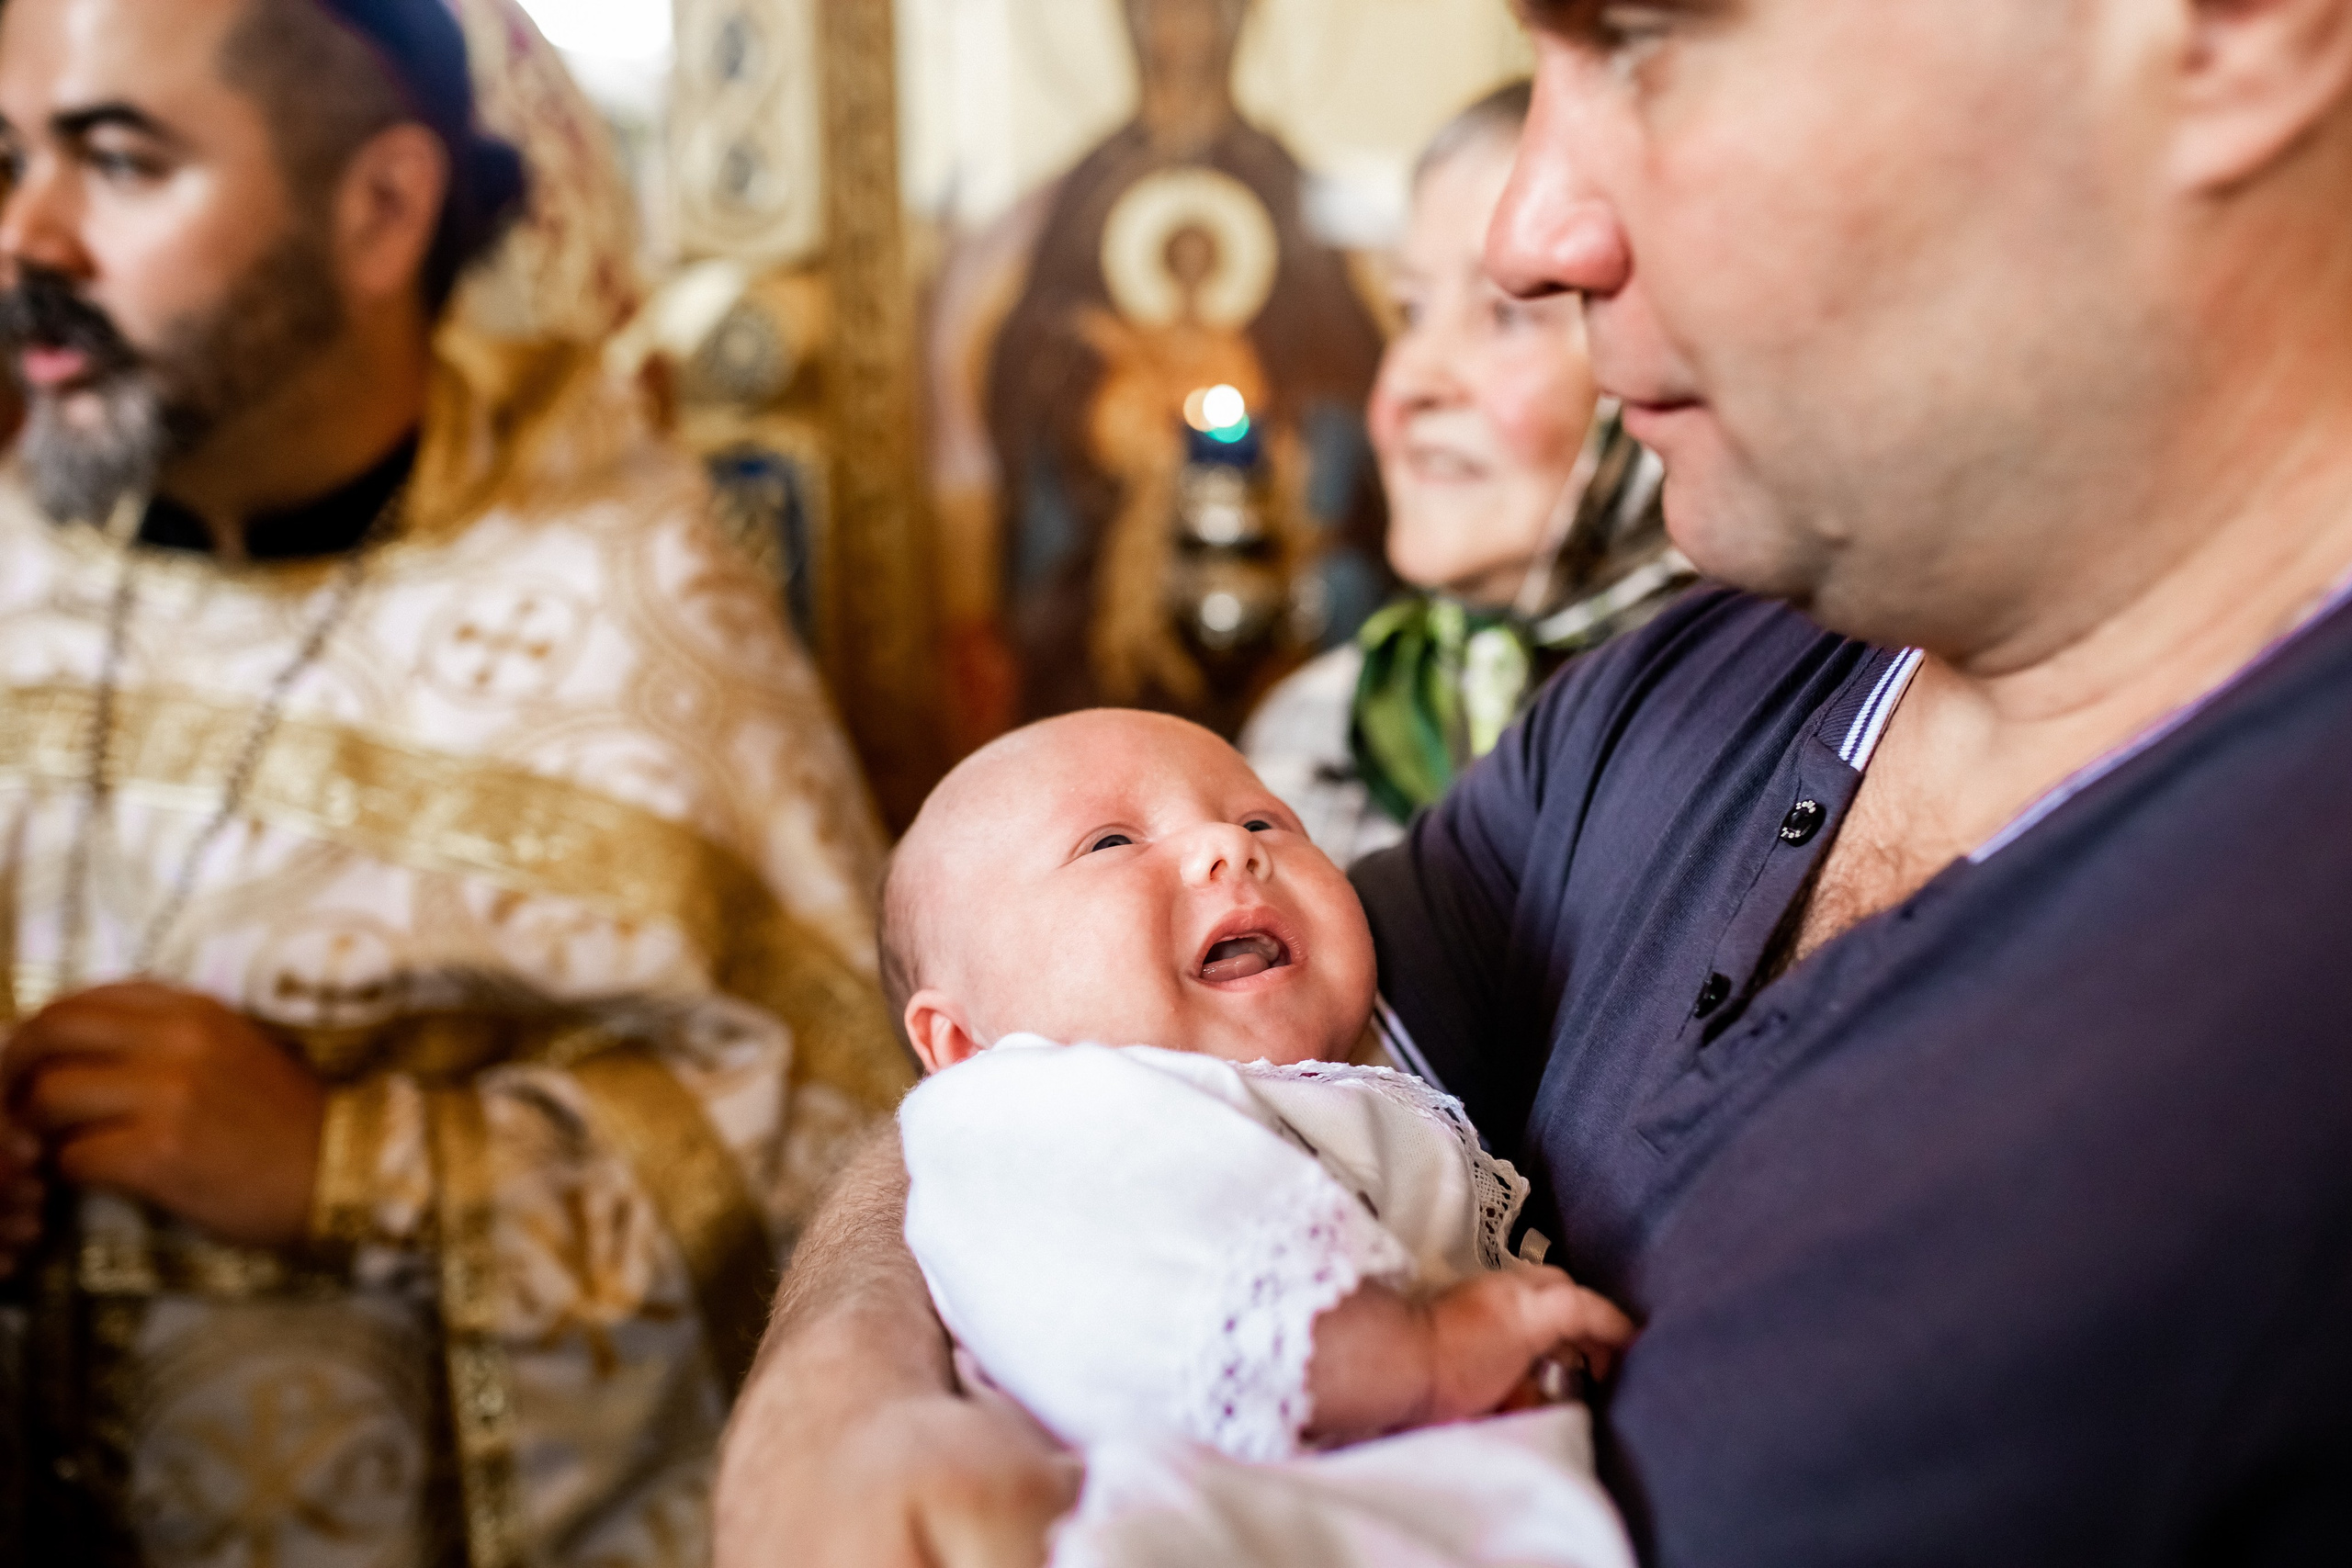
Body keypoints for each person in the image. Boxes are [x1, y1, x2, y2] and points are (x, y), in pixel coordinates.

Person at [716, 0, 2352, 1564]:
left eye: (1640, 39)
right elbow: (1098, 1066)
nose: (1531, 235)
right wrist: (836, 1413)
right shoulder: (1669, 691)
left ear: (2225, 23)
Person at [0, 1, 907, 1563]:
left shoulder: (626, 611)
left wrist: (349, 1165)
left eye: (120, 162)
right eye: (5, 160)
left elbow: (838, 1168)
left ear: (379, 212)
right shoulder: (16, 543)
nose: (29, 235)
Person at [887, 709, 1634, 1568]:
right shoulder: (1021, 1113)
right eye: (1109, 842)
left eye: (1261, 820)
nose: (1228, 846)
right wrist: (1426, 1353)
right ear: (963, 1043)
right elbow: (1174, 1270)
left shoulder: (1342, 1078)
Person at [1241, 82, 1685, 865]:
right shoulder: (1324, 725)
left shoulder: (1777, 726)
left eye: (1508, 314)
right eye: (1409, 313)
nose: (1413, 378)